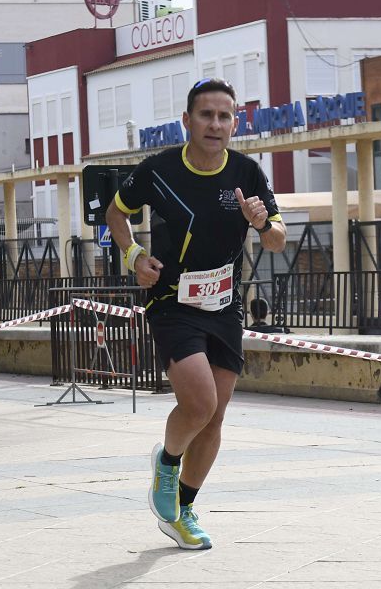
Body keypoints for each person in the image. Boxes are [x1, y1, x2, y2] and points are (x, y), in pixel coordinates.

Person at [106, 77, 287, 550]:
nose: (215, 124)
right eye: (206, 115)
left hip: (224, 305)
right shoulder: (158, 169)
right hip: (172, 302)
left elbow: (277, 240)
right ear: (187, 121)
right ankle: (166, 463)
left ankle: (184, 508)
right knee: (200, 403)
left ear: (234, 123)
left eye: (224, 116)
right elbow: (115, 213)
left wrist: (261, 221)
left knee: (215, 417)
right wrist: (133, 258)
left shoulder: (247, 173)